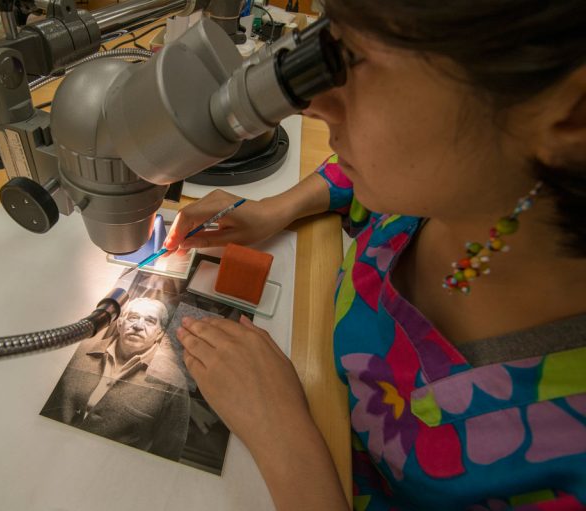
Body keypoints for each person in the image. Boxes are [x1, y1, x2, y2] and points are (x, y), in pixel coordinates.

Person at [166, 2, 586, 510]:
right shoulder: (431, 200)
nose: (313, 105)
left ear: (571, 113)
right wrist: (277, 209)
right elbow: (355, 178)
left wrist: (285, 441)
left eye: (360, 61)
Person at [41, 297, 190, 461]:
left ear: (159, 332)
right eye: (132, 317)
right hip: (49, 450)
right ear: (119, 323)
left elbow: (168, 452)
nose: (138, 326)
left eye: (149, 321)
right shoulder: (80, 350)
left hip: (108, 471)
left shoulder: (173, 379)